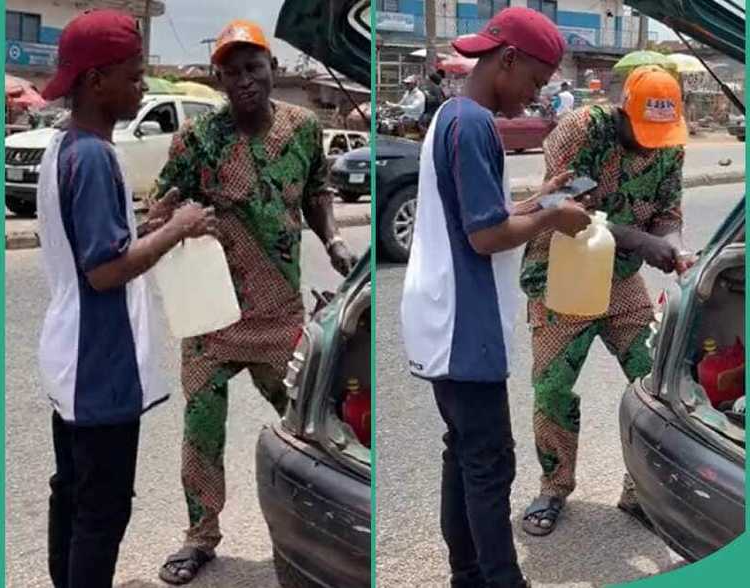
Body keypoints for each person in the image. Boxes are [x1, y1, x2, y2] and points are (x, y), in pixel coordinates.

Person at [151, 19, 358, 585]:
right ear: (218, 79)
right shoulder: (195, 141)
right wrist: (171, 223)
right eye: (232, 71)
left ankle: (331, 523)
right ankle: (200, 536)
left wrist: (334, 240)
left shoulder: (303, 128)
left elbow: (317, 191)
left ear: (272, 69)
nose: (245, 80)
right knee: (202, 434)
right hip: (212, 318)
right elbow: (161, 210)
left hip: (281, 318)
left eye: (254, 68)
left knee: (314, 425)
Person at [399, 8, 590, 588]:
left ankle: (467, 574)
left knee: (463, 453)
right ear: (506, 60)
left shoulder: (452, 117)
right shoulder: (474, 124)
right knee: (489, 463)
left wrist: (539, 199)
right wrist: (553, 218)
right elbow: (485, 236)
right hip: (463, 322)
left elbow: (483, 215)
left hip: (441, 316)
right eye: (533, 83)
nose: (532, 99)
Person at [34, 10, 217, 588]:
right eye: (134, 76)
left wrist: (148, 224)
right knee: (102, 510)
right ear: (95, 81)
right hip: (99, 362)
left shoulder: (64, 146)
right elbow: (105, 271)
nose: (142, 87)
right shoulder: (91, 156)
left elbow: (93, 244)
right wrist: (179, 228)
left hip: (72, 356)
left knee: (72, 494)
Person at [519, 65, 692, 536]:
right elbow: (561, 208)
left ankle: (640, 488)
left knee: (656, 380)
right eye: (644, 130)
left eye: (663, 133)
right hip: (564, 275)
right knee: (552, 388)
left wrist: (672, 247)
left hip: (620, 283)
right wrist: (640, 241)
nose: (654, 143)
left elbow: (668, 213)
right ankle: (554, 487)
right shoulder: (581, 129)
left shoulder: (668, 143)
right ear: (621, 112)